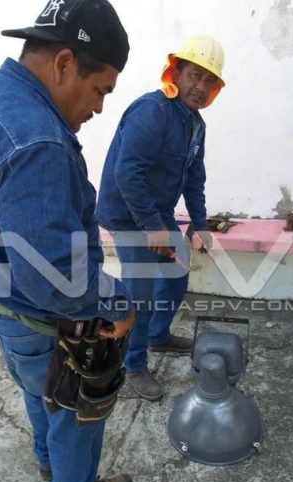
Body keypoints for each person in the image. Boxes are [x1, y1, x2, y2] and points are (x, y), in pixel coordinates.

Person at [0, 1, 136, 482]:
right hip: (39, 314)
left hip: (2, 307)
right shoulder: (38, 140)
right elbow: (52, 271)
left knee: (40, 391)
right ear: (64, 63)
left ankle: (50, 465)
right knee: (78, 408)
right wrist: (114, 302)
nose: (98, 109)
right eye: (100, 90)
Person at [96, 35, 226, 401]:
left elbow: (194, 177)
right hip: (127, 215)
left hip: (156, 214)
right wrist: (153, 228)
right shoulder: (152, 111)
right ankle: (133, 364)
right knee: (141, 293)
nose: (200, 86)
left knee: (177, 272)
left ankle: (157, 335)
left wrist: (198, 225)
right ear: (177, 72)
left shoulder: (196, 126)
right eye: (194, 76)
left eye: (209, 81)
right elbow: (128, 173)